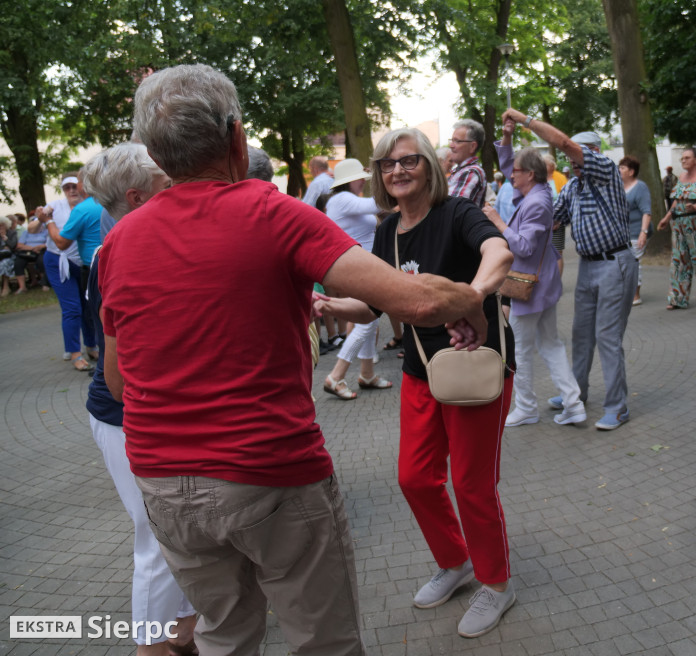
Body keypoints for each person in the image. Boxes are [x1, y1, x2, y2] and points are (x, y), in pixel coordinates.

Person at [101, 64, 491, 655]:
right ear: (236, 139)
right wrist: (473, 301)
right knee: (321, 642)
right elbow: (415, 299)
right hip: (267, 471)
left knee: (224, 636)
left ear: (155, 154)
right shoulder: (268, 211)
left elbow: (119, 384)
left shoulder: (119, 243)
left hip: (163, 482)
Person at [315, 127, 516, 638]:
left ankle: (496, 581)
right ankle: (456, 560)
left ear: (428, 165)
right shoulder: (388, 231)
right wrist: (334, 305)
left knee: (472, 484)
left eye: (408, 161)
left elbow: (500, 254)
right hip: (421, 367)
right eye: (387, 164)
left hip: (475, 364)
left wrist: (471, 297)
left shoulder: (457, 213)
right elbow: (377, 304)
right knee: (414, 477)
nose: (397, 171)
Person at [78, 144, 198, 656]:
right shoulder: (118, 252)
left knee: (182, 534)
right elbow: (119, 369)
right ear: (136, 195)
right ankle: (150, 649)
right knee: (157, 540)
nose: (175, 187)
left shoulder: (136, 242)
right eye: (164, 182)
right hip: (126, 416)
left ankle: (182, 639)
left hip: (137, 413)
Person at [505, 109, 639, 431]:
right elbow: (553, 222)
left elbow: (563, 143)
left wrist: (525, 120)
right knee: (581, 335)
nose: (573, 163)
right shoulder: (573, 188)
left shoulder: (605, 171)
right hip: (589, 266)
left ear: (593, 154)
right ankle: (575, 395)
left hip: (615, 262)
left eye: (578, 157)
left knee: (607, 337)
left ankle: (617, 407)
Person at [484, 125, 586, 427]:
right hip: (542, 286)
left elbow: (525, 247)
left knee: (521, 350)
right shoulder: (535, 190)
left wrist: (498, 222)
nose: (510, 176)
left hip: (530, 288)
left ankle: (527, 407)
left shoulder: (538, 202)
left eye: (516, 172)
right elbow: (507, 164)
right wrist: (506, 136)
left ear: (529, 174)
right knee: (551, 345)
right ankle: (573, 403)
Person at [321, 158, 393, 400]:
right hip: (360, 270)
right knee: (367, 321)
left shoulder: (342, 201)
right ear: (349, 181)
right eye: (360, 178)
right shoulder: (343, 200)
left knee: (369, 320)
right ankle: (336, 375)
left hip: (361, 268)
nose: (363, 182)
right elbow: (378, 204)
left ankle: (367, 373)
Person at [34, 174, 97, 371]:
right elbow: (33, 227)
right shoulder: (55, 205)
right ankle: (75, 353)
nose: (71, 190)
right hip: (58, 261)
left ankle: (91, 345)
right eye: (67, 187)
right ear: (62, 189)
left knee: (87, 307)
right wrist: (42, 219)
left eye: (74, 186)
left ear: (81, 187)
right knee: (72, 308)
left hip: (82, 263)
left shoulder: (87, 206)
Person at [657, 145, 696, 311]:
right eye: (682, 158)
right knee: (679, 260)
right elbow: (677, 200)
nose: (683, 160)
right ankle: (678, 298)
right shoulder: (681, 177)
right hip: (679, 224)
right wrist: (666, 217)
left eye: (687, 158)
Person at [618, 156, 652, 306]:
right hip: (622, 233)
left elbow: (646, 212)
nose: (619, 170)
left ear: (631, 171)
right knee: (623, 263)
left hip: (636, 231)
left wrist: (643, 232)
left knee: (634, 262)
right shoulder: (618, 187)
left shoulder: (640, 188)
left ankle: (635, 295)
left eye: (623, 168)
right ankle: (625, 293)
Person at [447, 119, 489, 207]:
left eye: (457, 141)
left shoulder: (472, 172)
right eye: (451, 140)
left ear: (472, 146)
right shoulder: (461, 171)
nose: (451, 145)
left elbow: (451, 208)